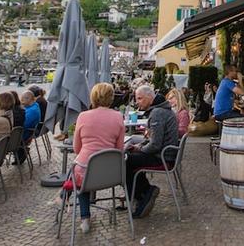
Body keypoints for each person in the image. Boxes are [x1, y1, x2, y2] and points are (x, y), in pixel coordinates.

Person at [61, 83, 124, 234]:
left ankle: (84, 218)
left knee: (80, 169)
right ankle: (63, 196)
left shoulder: (83, 116)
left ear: (93, 97)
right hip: (110, 174)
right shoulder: (118, 117)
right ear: (111, 97)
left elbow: (77, 148)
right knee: (83, 169)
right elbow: (119, 149)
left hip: (85, 170)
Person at [125, 85, 178, 218]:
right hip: (165, 154)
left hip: (162, 157)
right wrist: (141, 145)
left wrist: (140, 148)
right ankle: (142, 193)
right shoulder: (161, 109)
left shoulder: (157, 113)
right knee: (129, 158)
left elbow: (155, 145)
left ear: (149, 97)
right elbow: (153, 139)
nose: (137, 102)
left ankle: (143, 194)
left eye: (139, 98)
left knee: (125, 161)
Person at [15, 91, 41, 164]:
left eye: (22, 100)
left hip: (25, 134)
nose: (21, 102)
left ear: (28, 99)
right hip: (27, 132)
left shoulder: (32, 110)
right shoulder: (34, 106)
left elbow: (23, 125)